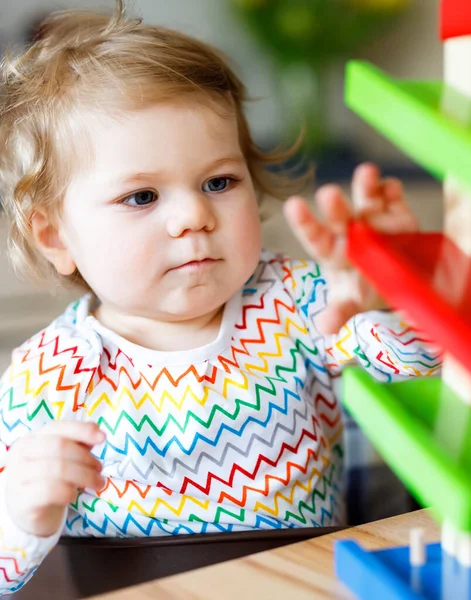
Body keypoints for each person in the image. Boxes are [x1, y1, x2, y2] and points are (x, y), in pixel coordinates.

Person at [0, 1, 441, 594]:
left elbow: (429, 360)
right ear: (55, 236)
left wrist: (385, 292)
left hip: (303, 581)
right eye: (142, 197)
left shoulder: (298, 300)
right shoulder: (45, 376)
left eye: (218, 182)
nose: (194, 216)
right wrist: (22, 519)